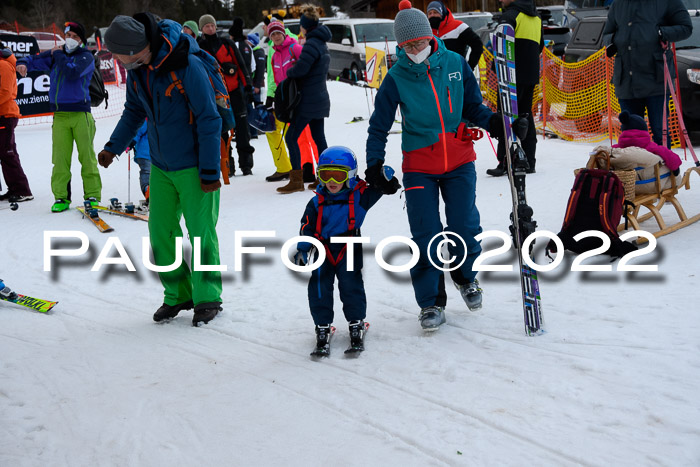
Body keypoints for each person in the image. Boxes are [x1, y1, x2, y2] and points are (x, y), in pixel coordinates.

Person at [365, 1, 524, 331]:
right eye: (407, 45)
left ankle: (466, 278)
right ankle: (431, 302)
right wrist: (374, 164)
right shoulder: (395, 77)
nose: (414, 49)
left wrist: (495, 122)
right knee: (426, 234)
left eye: (419, 42)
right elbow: (378, 126)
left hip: (460, 160)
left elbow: (473, 107)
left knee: (464, 225)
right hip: (419, 164)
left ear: (429, 36)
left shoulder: (454, 63)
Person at [98, 13, 223, 326]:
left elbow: (210, 118)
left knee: (200, 233)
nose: (114, 58)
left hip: (195, 166)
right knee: (160, 232)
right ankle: (178, 293)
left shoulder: (187, 66)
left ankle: (208, 295)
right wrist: (114, 146)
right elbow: (134, 111)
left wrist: (209, 170)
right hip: (161, 165)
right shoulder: (139, 70)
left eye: (116, 52)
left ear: (134, 47)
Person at [294, 146, 393, 351]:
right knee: (319, 287)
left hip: (349, 247)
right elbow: (306, 227)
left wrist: (385, 178)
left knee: (351, 285)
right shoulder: (315, 202)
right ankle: (322, 326)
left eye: (338, 176)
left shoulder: (359, 197)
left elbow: (379, 187)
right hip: (323, 249)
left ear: (349, 176)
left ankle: (356, 323)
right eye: (326, 175)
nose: (332, 181)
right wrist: (303, 249)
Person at [17, 21, 102, 212]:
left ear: (81, 40)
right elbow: (34, 59)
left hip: (81, 114)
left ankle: (92, 194)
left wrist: (57, 54)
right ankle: (61, 197)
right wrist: (23, 63)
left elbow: (72, 73)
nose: (70, 39)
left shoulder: (86, 56)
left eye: (74, 36)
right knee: (60, 160)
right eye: (68, 35)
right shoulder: (57, 54)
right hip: (60, 116)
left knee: (87, 158)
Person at [603, 0, 692, 147]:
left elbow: (686, 27)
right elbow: (607, 33)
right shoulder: (618, 4)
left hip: (656, 81)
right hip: (626, 81)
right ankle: (635, 169)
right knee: (631, 134)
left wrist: (662, 33)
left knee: (660, 131)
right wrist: (612, 42)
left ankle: (665, 168)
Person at [486, 0, 543, 177]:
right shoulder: (536, 18)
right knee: (526, 116)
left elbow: (501, 43)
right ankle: (529, 161)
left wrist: (498, 66)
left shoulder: (510, 15)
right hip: (530, 75)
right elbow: (540, 45)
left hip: (510, 76)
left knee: (506, 117)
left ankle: (505, 162)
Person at [278, 5, 331, 194]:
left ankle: (296, 180)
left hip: (308, 100)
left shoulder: (311, 44)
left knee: (291, 137)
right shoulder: (321, 42)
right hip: (320, 98)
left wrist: (289, 72)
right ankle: (325, 178)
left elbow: (302, 70)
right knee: (319, 138)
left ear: (305, 26)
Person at [198, 14, 255, 176]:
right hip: (214, 95)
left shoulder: (227, 44)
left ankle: (246, 165)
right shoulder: (198, 47)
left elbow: (240, 66)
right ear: (202, 29)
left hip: (235, 92)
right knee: (221, 131)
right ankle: (226, 165)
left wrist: (248, 86)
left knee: (242, 129)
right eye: (207, 26)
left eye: (212, 25)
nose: (210, 28)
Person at [267, 21, 319, 192]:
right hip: (289, 102)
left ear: (284, 34)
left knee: (311, 137)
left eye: (278, 33)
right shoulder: (274, 55)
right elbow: (276, 80)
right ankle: (306, 170)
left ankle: (323, 173)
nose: (276, 37)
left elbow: (311, 65)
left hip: (302, 99)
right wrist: (277, 98)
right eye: (272, 34)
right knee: (298, 138)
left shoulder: (293, 48)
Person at [0, 47, 33, 202]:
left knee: (8, 153)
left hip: (5, 115)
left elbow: (5, 92)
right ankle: (14, 188)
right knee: (5, 153)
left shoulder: (4, 65)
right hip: (3, 114)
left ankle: (22, 190)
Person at [614, 110, 682, 175]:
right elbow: (669, 156)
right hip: (649, 182)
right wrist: (675, 169)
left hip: (624, 183)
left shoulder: (616, 149)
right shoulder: (651, 147)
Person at [426, 0, 483, 71]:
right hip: (435, 74)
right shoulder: (426, 32)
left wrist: (469, 67)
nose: (432, 15)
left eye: (435, 12)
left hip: (456, 72)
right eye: (430, 13)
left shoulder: (458, 27)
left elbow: (477, 44)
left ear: (442, 13)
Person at [128, 120, 152, 201]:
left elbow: (137, 130)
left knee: (147, 172)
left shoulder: (149, 115)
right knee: (148, 172)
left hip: (147, 153)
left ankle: (148, 189)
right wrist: (131, 142)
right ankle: (148, 191)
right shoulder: (150, 116)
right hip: (147, 153)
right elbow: (139, 130)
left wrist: (131, 142)